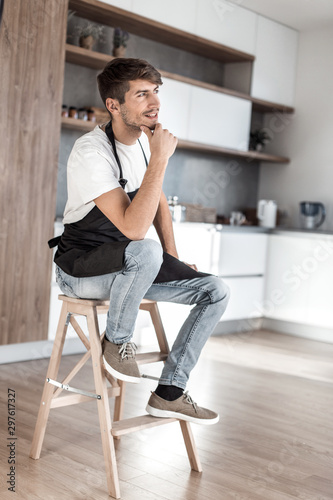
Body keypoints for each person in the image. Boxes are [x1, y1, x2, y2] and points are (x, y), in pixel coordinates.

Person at [52, 58, 230, 425]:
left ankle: (169, 392)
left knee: (216, 290)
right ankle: (116, 343)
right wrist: (162, 159)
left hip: (129, 264)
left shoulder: (146, 146)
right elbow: (135, 230)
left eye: (157, 93)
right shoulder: (92, 152)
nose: (155, 103)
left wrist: (174, 258)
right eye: (142, 94)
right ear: (114, 106)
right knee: (145, 248)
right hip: (81, 268)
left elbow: (158, 200)